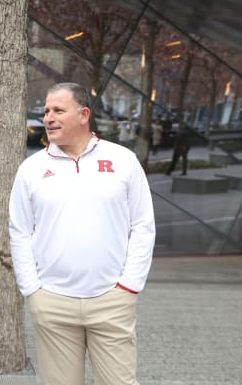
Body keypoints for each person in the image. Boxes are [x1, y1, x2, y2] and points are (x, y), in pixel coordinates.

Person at [9, 83, 156, 385]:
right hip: (52, 302)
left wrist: (129, 285)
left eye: (58, 110)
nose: (48, 117)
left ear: (83, 114)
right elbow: (19, 232)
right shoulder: (31, 169)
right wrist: (32, 291)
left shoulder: (122, 161)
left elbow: (143, 225)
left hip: (111, 300)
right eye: (46, 111)